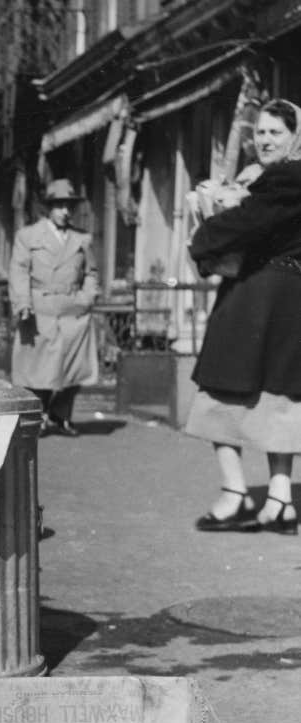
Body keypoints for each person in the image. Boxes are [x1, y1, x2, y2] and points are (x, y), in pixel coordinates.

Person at [186, 98, 301, 535]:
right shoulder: (278, 179)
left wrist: (203, 236)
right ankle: (279, 501)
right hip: (283, 298)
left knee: (221, 386)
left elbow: (246, 225)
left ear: (295, 137)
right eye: (261, 132)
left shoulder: (287, 178)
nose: (265, 139)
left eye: (276, 132)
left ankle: (235, 493)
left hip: (259, 294)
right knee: (280, 396)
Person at [8, 179, 99, 436]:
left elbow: (92, 272)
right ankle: (39, 416)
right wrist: (23, 303)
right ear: (48, 208)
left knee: (74, 367)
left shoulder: (82, 238)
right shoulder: (28, 236)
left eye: (69, 206)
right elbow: (19, 272)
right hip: (40, 310)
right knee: (39, 369)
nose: (65, 212)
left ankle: (61, 415)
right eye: (59, 206)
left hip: (73, 309)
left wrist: (87, 297)